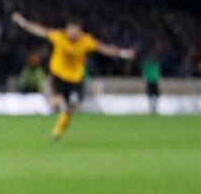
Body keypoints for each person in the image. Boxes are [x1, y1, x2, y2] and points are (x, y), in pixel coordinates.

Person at [11, 12, 133, 140]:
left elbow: (104, 48)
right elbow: (40, 31)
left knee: (71, 108)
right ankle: (56, 102)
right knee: (56, 103)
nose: (73, 33)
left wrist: (123, 53)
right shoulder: (59, 36)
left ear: (80, 30)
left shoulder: (86, 41)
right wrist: (22, 22)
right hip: (58, 76)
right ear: (67, 29)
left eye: (76, 30)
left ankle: (57, 131)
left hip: (75, 79)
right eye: (71, 29)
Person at [142, 43, 163, 115]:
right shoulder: (149, 65)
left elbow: (157, 73)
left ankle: (154, 107)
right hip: (151, 81)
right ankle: (152, 107)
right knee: (151, 94)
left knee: (155, 95)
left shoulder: (154, 65)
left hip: (154, 81)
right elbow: (146, 73)